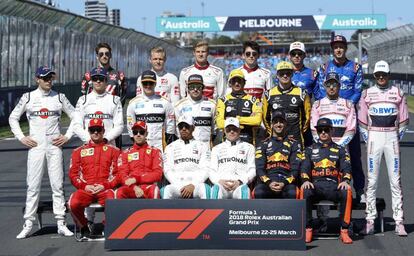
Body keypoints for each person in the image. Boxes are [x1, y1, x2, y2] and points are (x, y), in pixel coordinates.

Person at [9, 66, 74, 239]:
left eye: (50, 77)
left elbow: (76, 116)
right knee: (33, 186)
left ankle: (61, 222)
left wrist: (67, 136)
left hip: (54, 146)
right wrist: (22, 137)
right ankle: (28, 223)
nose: (48, 81)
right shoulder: (28, 97)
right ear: (37, 79)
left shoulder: (59, 97)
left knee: (57, 185)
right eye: (44, 78)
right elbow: (13, 118)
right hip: (36, 147)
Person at [359, 60, 409, 236]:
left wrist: (395, 137)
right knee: (372, 181)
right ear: (374, 76)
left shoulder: (398, 93)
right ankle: (370, 220)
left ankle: (399, 221)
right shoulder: (367, 94)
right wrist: (369, 138)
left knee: (395, 181)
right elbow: (362, 122)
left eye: (384, 75)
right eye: (378, 75)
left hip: (391, 139)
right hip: (374, 138)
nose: (381, 78)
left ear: (388, 75)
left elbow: (403, 121)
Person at [317, 35, 365, 201]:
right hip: (330, 118)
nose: (338, 49)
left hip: (349, 116)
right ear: (332, 49)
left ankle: (360, 190)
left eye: (341, 46)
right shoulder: (324, 68)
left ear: (345, 48)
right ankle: (329, 191)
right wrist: (330, 107)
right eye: (335, 46)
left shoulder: (355, 67)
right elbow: (320, 91)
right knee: (327, 157)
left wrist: (346, 106)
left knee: (354, 157)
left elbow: (358, 91)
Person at [300, 118, 353, 244]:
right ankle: (308, 229)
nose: (323, 132)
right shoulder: (309, 150)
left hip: (333, 186)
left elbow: (347, 167)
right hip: (316, 186)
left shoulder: (340, 149)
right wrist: (306, 180)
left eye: (326, 130)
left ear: (331, 131)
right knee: (304, 190)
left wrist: (345, 180)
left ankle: (344, 230)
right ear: (317, 132)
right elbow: (304, 167)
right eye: (320, 130)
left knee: (347, 191)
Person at [68, 118, 121, 238]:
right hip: (86, 189)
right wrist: (85, 186)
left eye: (98, 130)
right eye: (93, 130)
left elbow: (119, 175)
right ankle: (83, 226)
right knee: (72, 203)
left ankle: (106, 225)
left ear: (103, 131)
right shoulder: (78, 152)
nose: (96, 132)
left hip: (105, 188)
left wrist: (105, 185)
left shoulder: (115, 151)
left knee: (115, 200)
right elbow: (73, 174)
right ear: (89, 131)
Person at [253, 111, 302, 199]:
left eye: (281, 122)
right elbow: (259, 168)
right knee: (259, 192)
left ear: (286, 124)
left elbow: (295, 168)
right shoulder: (263, 144)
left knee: (292, 193)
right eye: (276, 122)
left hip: (287, 182)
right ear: (272, 124)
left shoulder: (294, 144)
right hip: (268, 182)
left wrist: (284, 183)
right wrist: (269, 182)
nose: (278, 124)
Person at [263, 61, 311, 148]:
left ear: (292, 74)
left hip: (296, 139)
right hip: (276, 140)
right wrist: (275, 134)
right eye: (282, 73)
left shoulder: (302, 93)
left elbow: (307, 118)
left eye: (288, 73)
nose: (285, 76)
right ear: (277, 75)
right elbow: (265, 119)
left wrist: (297, 132)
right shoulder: (268, 94)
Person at [162, 116, 211, 199]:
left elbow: (205, 168)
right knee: (167, 190)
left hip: (195, 185)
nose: (183, 129)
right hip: (177, 185)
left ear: (193, 128)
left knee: (204, 188)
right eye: (181, 126)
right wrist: (180, 185)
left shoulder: (203, 146)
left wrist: (193, 184)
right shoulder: (170, 147)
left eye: (187, 126)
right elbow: (167, 169)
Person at [73, 67, 124, 147]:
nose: (98, 81)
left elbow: (119, 126)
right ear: (91, 81)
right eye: (95, 78)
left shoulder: (115, 100)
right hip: (89, 146)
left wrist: (106, 139)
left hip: (108, 145)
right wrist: (89, 140)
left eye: (101, 78)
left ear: (106, 81)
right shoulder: (83, 100)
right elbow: (76, 125)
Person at [126, 70, 175, 151]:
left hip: (159, 146)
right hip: (141, 146)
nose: (148, 86)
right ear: (141, 84)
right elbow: (130, 126)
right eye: (145, 83)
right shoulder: (133, 103)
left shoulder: (165, 102)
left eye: (151, 83)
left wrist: (166, 145)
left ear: (155, 84)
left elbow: (170, 127)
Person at [209, 117, 256, 199]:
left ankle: (244, 212)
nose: (231, 131)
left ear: (239, 130)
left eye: (234, 129)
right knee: (215, 189)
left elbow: (252, 170)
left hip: (239, 184)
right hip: (222, 184)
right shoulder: (216, 149)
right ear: (224, 131)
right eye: (228, 129)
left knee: (244, 190)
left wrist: (240, 181)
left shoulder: (249, 147)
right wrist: (219, 181)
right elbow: (212, 170)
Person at [116, 121, 163, 200]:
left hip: (148, 186)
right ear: (132, 134)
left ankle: (153, 213)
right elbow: (122, 174)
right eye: (135, 132)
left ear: (146, 134)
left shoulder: (155, 151)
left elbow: (158, 174)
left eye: (141, 132)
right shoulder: (125, 153)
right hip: (131, 187)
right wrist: (134, 187)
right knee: (119, 192)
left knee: (154, 190)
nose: (138, 134)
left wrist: (137, 179)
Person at [216, 69, 262, 145]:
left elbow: (257, 120)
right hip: (227, 143)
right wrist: (247, 120)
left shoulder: (253, 100)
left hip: (248, 141)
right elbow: (220, 123)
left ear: (244, 83)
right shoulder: (223, 100)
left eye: (239, 81)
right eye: (234, 81)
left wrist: (236, 119)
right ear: (230, 83)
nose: (237, 83)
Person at [311, 72, 356, 147]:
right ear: (324, 86)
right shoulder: (317, 104)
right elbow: (314, 129)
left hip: (342, 147)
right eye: (328, 85)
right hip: (323, 147)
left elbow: (351, 129)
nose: (331, 87)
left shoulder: (349, 104)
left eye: (334, 84)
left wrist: (340, 145)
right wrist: (324, 144)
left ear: (339, 86)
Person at [174, 74, 216, 146]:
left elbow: (215, 129)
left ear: (203, 88)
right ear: (187, 88)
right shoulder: (179, 105)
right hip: (187, 147)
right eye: (192, 87)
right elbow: (176, 130)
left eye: (198, 87)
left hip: (206, 147)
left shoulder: (212, 104)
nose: (195, 89)